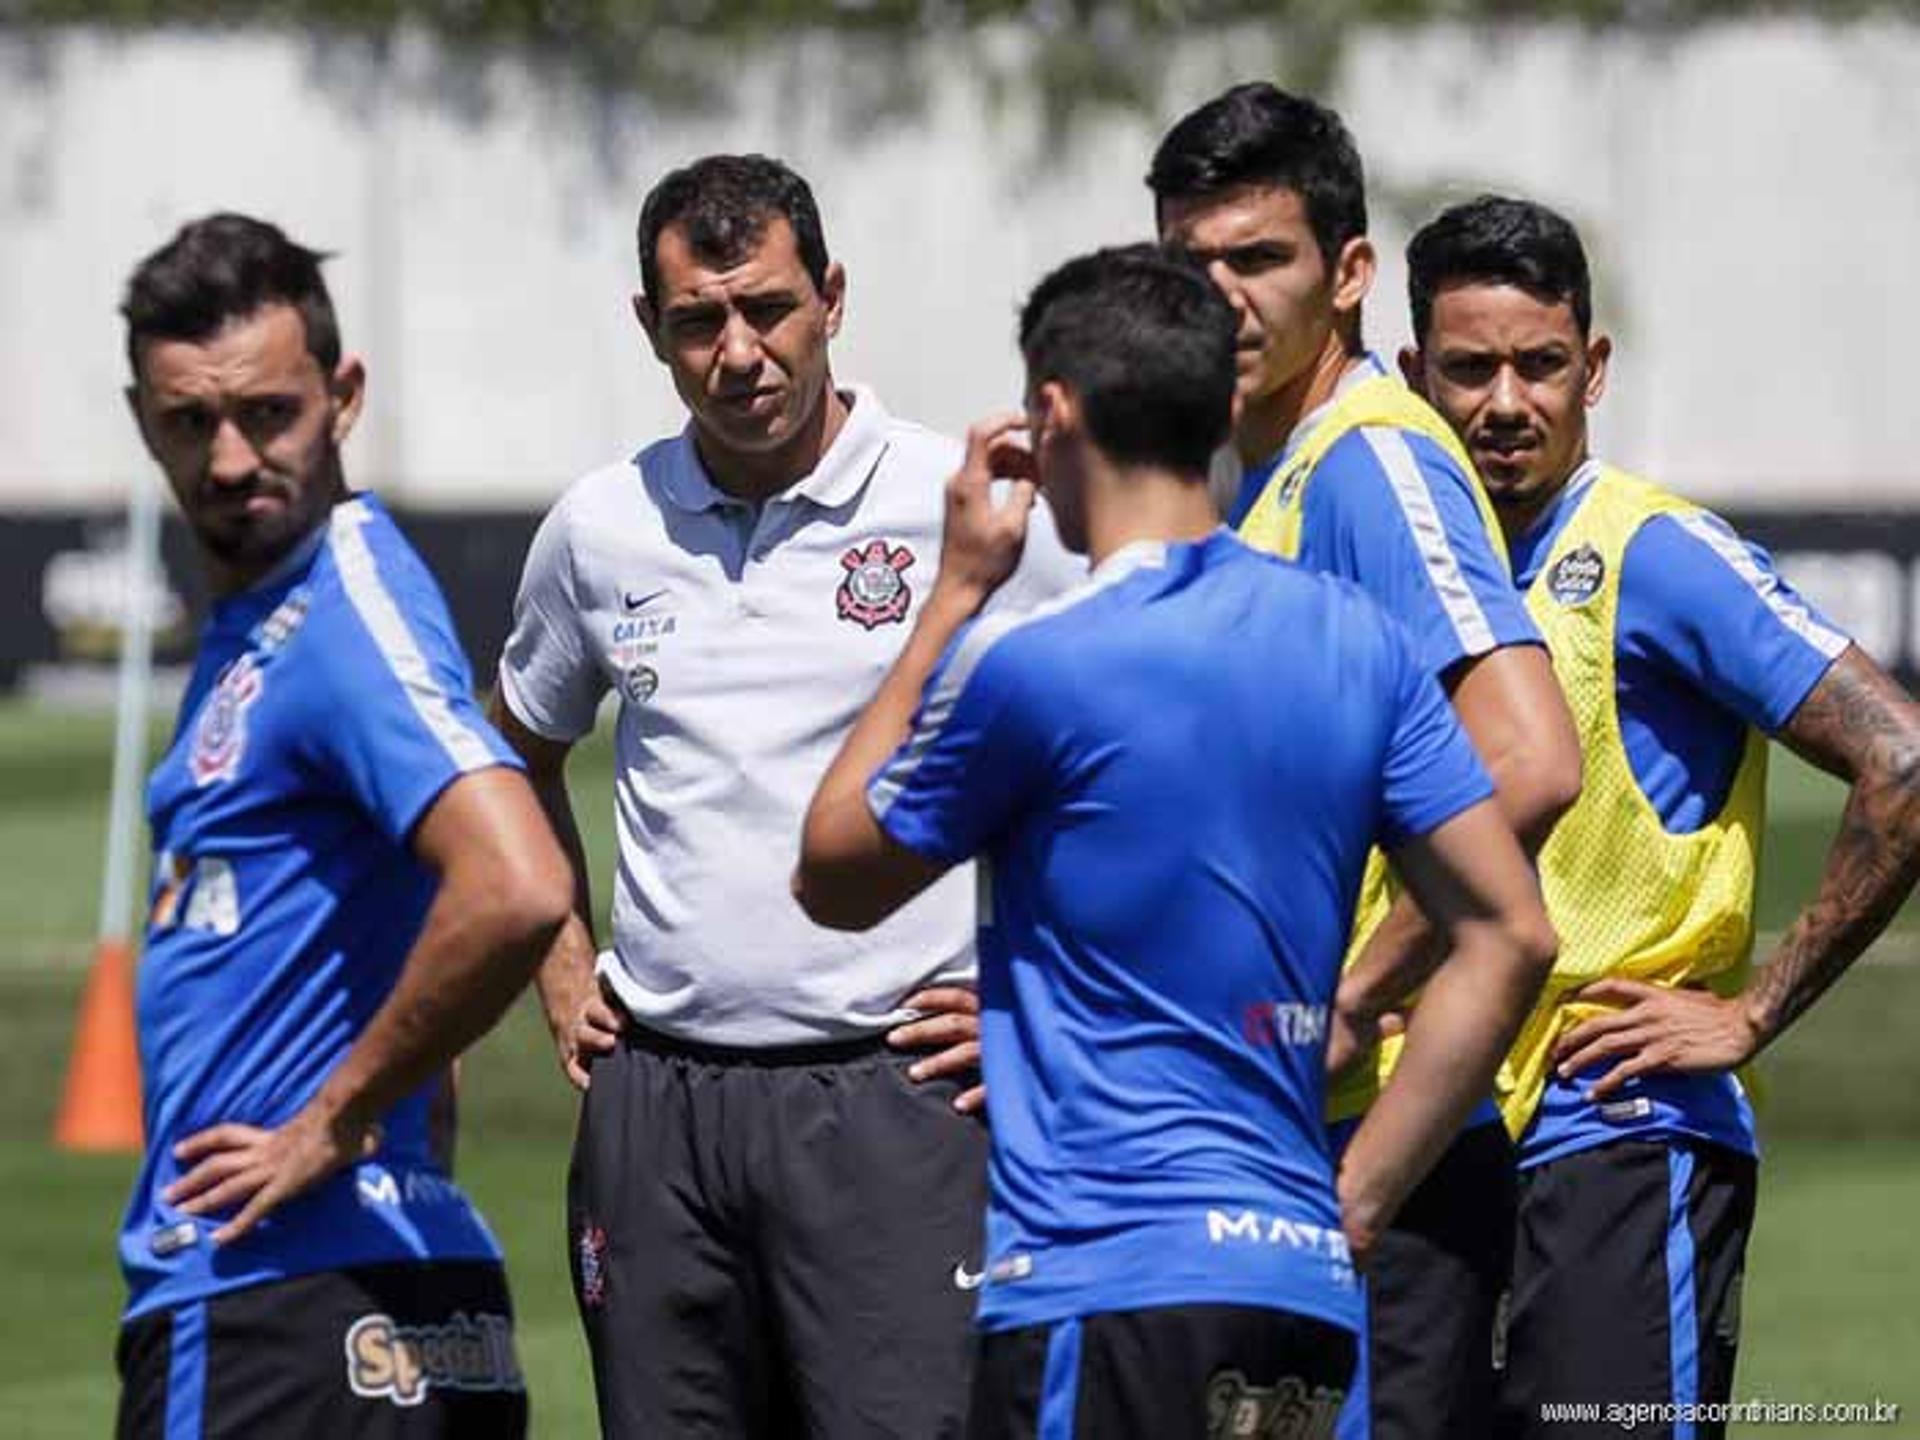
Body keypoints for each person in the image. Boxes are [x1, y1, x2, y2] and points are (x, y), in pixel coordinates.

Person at [793, 243, 1558, 1440]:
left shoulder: (1035, 664)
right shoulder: (1358, 643)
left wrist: (951, 595)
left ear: (1054, 414)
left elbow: (833, 869)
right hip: (1299, 1289)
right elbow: (1511, 935)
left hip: (1102, 1287)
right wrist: (1355, 1205)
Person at [491, 153, 1077, 1437]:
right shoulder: (600, 529)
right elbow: (513, 756)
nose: (739, 352)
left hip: (892, 1100)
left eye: (768, 308)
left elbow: (1110, 766)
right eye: (699, 321)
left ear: (833, 299)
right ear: (651, 329)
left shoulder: (960, 505)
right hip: (655, 1109)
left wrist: (1039, 1007)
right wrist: (560, 965)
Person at [1401, 194, 1920, 1439]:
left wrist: (1750, 1009)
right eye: (1469, 370)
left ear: (1595, 368)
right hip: (1432, 1127)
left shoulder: (1652, 553)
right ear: (1414, 376)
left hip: (1616, 1134)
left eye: (1541, 364)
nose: (1506, 402)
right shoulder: (1402, 563)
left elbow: (1901, 757)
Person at [1148, 83, 1583, 1440]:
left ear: (1345, 276)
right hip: (1265, 1141)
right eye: (1189, 265)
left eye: (1258, 260)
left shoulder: (1370, 460)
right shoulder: (1246, 471)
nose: (1221, 299)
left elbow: (1528, 757)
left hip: (1369, 1151)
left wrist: (1354, 991)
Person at [114, 213, 575, 1437]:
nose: (226, 460)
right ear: (142, 419)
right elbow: (428, 920)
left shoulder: (341, 609)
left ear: (344, 394)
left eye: (266, 413)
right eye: (187, 422)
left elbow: (517, 882)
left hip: (275, 1303)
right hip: (384, 1293)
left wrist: (333, 1121)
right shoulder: (275, 621)